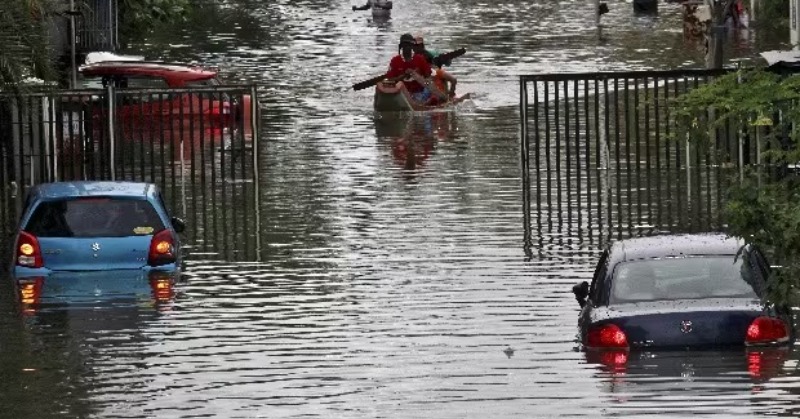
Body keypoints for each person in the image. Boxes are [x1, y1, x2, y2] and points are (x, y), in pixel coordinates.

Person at [385, 33, 433, 104]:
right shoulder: (395, 61)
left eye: (409, 45)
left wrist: (416, 75)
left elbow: (428, 77)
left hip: (418, 92)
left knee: (428, 90)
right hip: (401, 93)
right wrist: (403, 76)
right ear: (401, 46)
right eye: (405, 45)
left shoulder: (420, 59)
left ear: (412, 46)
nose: (407, 47)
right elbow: (390, 79)